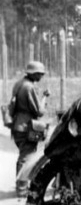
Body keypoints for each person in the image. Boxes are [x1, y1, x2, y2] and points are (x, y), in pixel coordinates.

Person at [11, 61, 50, 197]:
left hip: (18, 124)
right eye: (39, 74)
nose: (41, 77)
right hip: (26, 127)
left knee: (24, 155)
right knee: (26, 156)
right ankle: (22, 189)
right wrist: (44, 97)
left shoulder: (20, 83)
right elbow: (39, 111)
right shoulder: (29, 87)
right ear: (33, 74)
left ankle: (21, 185)